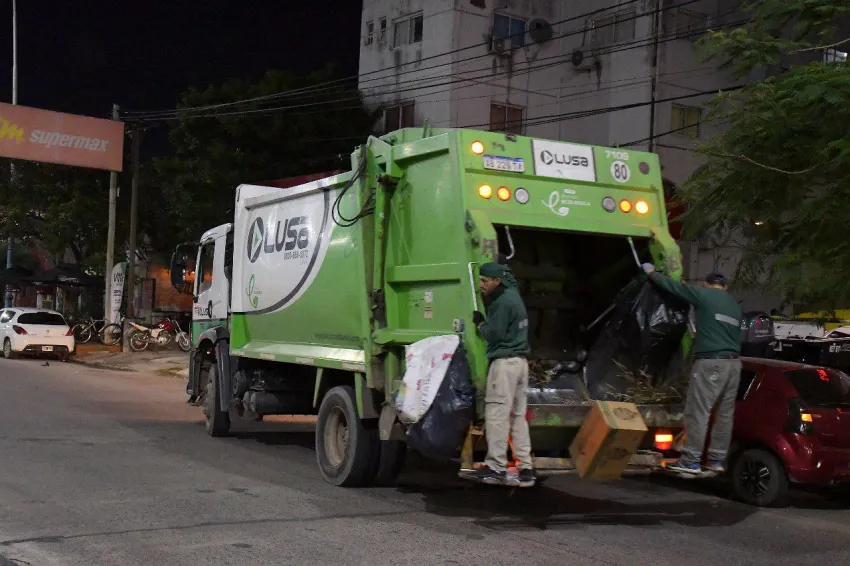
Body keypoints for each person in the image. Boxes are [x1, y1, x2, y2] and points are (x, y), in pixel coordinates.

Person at [642, 265, 743, 476]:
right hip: (734, 365)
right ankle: (716, 460)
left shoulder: (705, 294)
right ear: (725, 286)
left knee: (699, 412)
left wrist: (652, 274)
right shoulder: (734, 305)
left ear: (707, 284)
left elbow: (675, 287)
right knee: (724, 415)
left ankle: (691, 461)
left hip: (711, 363)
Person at [463, 262, 535, 487]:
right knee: (518, 417)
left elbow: (493, 334)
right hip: (521, 364)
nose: (482, 285)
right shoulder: (514, 295)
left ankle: (495, 466)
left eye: (485, 281)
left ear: (497, 281)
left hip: (504, 365)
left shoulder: (502, 303)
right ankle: (526, 468)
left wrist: (481, 323)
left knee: (496, 415)